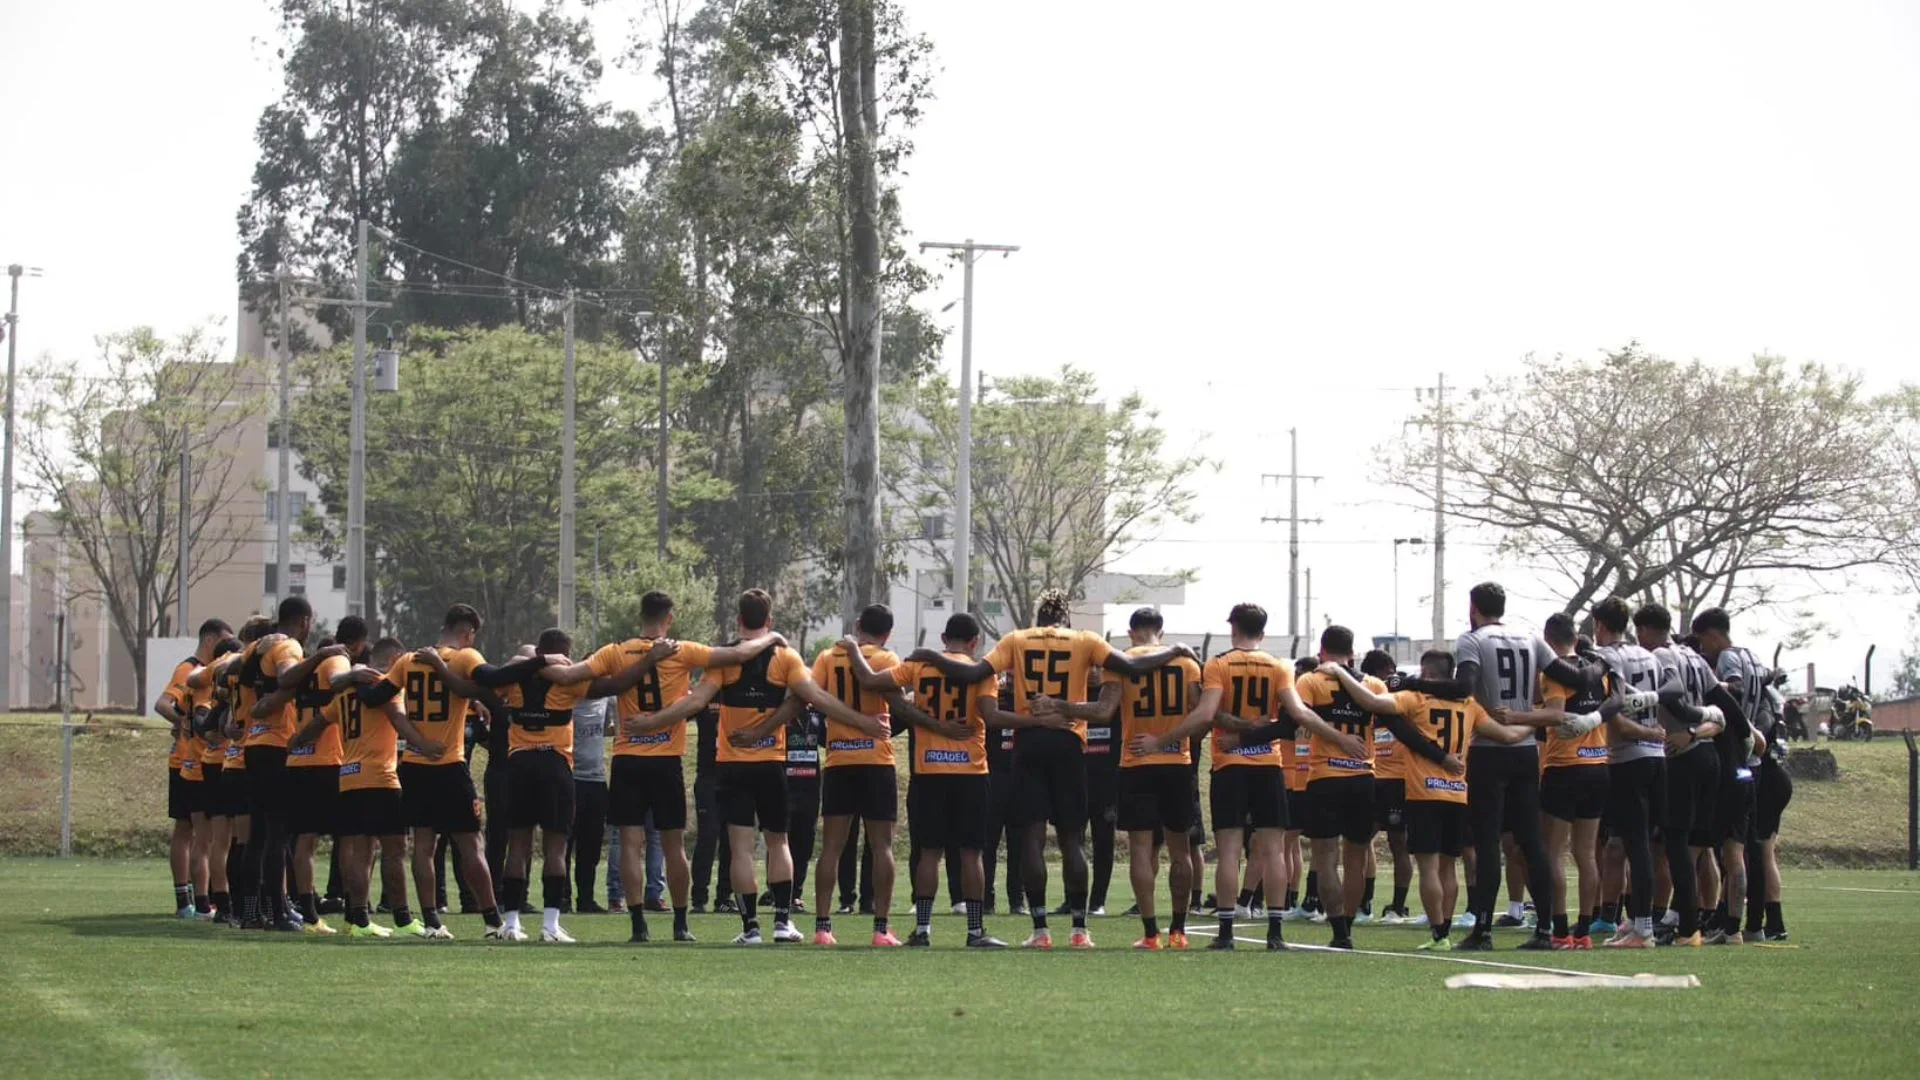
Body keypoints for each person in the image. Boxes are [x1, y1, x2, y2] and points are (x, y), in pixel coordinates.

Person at [907, 587, 1194, 950]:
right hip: (1069, 740)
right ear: (1066, 619)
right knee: (1073, 839)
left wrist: (931, 654)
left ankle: (1041, 929)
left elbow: (975, 672)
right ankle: (1079, 929)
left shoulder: (1016, 639)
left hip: (1030, 742)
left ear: (1038, 616)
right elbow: (1133, 666)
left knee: (1032, 837)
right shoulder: (1084, 639)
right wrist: (1174, 650)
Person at [625, 589, 891, 945]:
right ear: (770, 621)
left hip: (731, 764)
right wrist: (864, 722)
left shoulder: (725, 662)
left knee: (741, 846)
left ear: (738, 620)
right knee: (778, 842)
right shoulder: (785, 656)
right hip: (771, 764)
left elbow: (696, 703)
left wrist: (650, 723)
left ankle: (750, 928)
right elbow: (817, 698)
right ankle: (782, 923)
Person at [1138, 604, 1362, 951]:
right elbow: (1300, 714)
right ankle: (1274, 933)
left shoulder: (1219, 664)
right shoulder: (1278, 666)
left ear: (1233, 629)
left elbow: (1206, 714)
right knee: (1273, 852)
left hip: (1229, 767)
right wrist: (1342, 738)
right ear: (1263, 632)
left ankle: (1226, 933)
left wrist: (1160, 740)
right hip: (1268, 767)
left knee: (1229, 851)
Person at [1395, 582, 1597, 950]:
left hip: (1489, 748)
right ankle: (1545, 931)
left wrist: (1412, 682)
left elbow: (1463, 687)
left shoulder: (1472, 640)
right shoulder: (1532, 638)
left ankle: (1483, 930)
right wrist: (1597, 666)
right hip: (1524, 750)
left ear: (1473, 608)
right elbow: (1575, 678)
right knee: (1530, 841)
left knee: (1489, 842)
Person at [576, 589, 782, 942]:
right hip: (666, 760)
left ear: (640, 616)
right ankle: (681, 923)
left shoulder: (616, 652)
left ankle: (638, 924)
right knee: (673, 845)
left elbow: (579, 679)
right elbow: (737, 652)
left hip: (628, 759)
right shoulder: (682, 650)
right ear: (669, 618)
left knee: (629, 843)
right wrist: (773, 636)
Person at [1322, 652, 1537, 948]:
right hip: (1457, 793)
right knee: (1449, 867)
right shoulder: (1469, 705)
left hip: (1424, 792)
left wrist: (1341, 673)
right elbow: (1508, 736)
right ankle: (1445, 930)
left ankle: (1438, 933)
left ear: (1426, 673)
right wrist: (1535, 719)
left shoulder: (1417, 698)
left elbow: (1371, 702)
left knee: (1429, 867)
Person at [358, 604, 548, 939]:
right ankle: (492, 921)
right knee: (470, 843)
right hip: (449, 764)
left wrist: (353, 676)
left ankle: (432, 922)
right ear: (468, 632)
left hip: (415, 766)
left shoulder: (407, 660)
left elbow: (375, 698)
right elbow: (495, 678)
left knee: (423, 846)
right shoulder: (463, 658)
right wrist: (542, 660)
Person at [842, 612, 1008, 948]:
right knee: (971, 854)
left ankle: (923, 929)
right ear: (974, 642)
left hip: (929, 771)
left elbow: (871, 681)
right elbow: (989, 717)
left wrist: (852, 648)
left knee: (929, 852)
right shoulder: (981, 673)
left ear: (944, 639)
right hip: (971, 772)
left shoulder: (919, 667)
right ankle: (975, 932)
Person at [293, 636, 429, 938]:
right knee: (395, 851)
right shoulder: (386, 686)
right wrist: (425, 745)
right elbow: (398, 720)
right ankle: (403, 919)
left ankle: (358, 919)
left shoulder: (346, 692)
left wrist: (296, 741)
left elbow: (319, 722)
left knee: (360, 851)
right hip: (381, 777)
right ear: (395, 659)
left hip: (349, 776)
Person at [252, 616, 376, 935]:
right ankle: (355, 915)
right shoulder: (336, 659)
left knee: (304, 840)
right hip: (327, 762)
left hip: (298, 762)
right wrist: (357, 673)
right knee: (348, 839)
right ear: (358, 644)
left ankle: (308, 914)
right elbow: (337, 681)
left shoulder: (304, 665)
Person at [1496, 615, 1613, 949]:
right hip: (1597, 764)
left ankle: (1560, 931)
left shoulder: (1556, 672)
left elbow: (1555, 714)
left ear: (1547, 641)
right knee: (1586, 854)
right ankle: (1584, 932)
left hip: (1565, 767)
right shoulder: (1597, 673)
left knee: (1552, 853)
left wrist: (1516, 716)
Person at [1633, 603, 1742, 947]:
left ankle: (1685, 928)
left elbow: (1678, 700)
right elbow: (1724, 699)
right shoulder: (1694, 656)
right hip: (1708, 754)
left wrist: (1695, 722)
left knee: (1677, 843)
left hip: (1684, 755)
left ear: (1648, 630)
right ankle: (1694, 919)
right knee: (1699, 845)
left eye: (1640, 632)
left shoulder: (1665, 656)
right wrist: (1746, 731)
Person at [1098, 608, 1204, 949]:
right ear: (1161, 630)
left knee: (1141, 851)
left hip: (1136, 762)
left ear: (1132, 632)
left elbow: (1107, 710)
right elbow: (1199, 716)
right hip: (1177, 762)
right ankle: (1179, 930)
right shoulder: (1186, 663)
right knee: (1180, 851)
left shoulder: (1121, 660)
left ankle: (1149, 933)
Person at [810, 606, 914, 946]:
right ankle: (881, 929)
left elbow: (815, 699)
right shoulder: (887, 659)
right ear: (888, 632)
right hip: (876, 760)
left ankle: (823, 928)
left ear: (857, 626)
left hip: (839, 759)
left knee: (832, 849)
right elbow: (897, 705)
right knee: (882, 846)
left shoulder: (828, 657)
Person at [1692, 607, 1764, 945]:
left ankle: (1729, 927)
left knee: (1729, 853)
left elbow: (1728, 695)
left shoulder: (1727, 662)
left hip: (1730, 763)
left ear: (1714, 635)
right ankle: (1733, 924)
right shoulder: (1754, 658)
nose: (1704, 651)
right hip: (1748, 765)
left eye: (1705, 642)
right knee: (1737, 850)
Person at [155, 618, 235, 918]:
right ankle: (191, 901)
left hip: (195, 760)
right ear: (211, 639)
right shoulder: (191, 670)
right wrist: (184, 726)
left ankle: (200, 900)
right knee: (193, 832)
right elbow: (164, 704)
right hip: (191, 760)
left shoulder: (210, 675)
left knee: (202, 834)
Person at [1359, 649, 1414, 924]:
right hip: (1371, 777)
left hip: (1397, 780)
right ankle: (1364, 903)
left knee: (1399, 843)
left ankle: (1398, 906)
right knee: (1359, 839)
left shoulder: (1403, 700)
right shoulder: (1366, 704)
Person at [568, 693, 612, 914]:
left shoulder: (605, 699)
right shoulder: (567, 698)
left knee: (591, 845)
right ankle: (561, 898)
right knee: (564, 842)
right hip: (570, 777)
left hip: (596, 780)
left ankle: (586, 898)